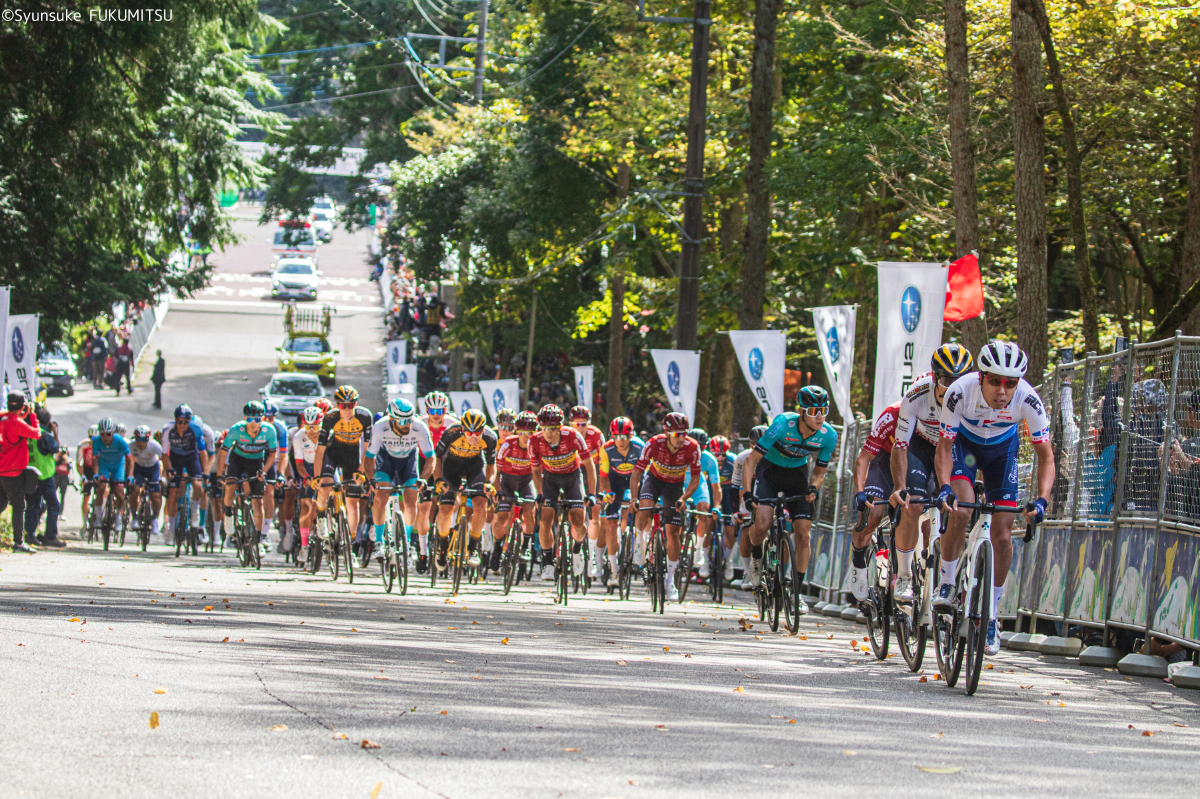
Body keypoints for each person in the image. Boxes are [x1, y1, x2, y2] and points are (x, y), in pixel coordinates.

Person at [934, 340, 1056, 656]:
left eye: (1010, 383)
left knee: (1003, 534)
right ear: (981, 377)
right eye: (995, 381)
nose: (1002, 391)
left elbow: (1047, 457)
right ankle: (947, 582)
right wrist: (945, 485)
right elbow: (944, 448)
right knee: (961, 507)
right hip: (965, 449)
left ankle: (991, 614)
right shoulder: (959, 392)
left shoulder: (1029, 398)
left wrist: (1042, 500)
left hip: (1002, 453)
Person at [882, 343, 975, 603]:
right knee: (912, 504)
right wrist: (899, 486)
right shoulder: (917, 394)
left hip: (954, 447)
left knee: (959, 507)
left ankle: (948, 579)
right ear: (935, 378)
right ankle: (903, 575)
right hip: (921, 447)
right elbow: (900, 447)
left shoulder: (974, 397)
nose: (954, 385)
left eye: (961, 379)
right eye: (947, 379)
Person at [740, 387, 839, 615]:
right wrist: (747, 493)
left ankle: (797, 591)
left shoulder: (829, 435)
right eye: (814, 411)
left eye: (823, 411)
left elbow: (819, 472)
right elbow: (751, 461)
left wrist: (814, 487)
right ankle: (756, 556)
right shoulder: (783, 424)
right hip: (769, 472)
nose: (819, 416)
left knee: (804, 534)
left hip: (797, 476)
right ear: (801, 411)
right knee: (762, 523)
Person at [627, 412, 702, 602]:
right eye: (677, 434)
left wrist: (684, 498)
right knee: (644, 508)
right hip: (654, 481)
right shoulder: (653, 443)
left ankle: (670, 581)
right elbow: (636, 474)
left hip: (675, 486)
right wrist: (634, 499)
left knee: (673, 532)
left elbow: (695, 479)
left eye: (684, 433)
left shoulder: (693, 447)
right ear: (667, 433)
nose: (682, 438)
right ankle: (640, 543)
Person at [363, 398, 434, 564]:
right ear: (392, 420)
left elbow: (431, 457)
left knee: (411, 500)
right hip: (386, 461)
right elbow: (369, 457)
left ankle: (407, 543)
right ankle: (379, 542)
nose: (407, 425)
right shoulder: (380, 426)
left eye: (409, 420)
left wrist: (423, 478)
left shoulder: (419, 427)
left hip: (408, 462)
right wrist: (370, 479)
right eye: (403, 421)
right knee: (381, 494)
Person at [529, 404, 595, 581]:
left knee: (578, 520)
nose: (548, 432)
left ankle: (576, 551)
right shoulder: (534, 440)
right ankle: (548, 563)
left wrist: (592, 494)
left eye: (552, 428)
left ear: (560, 427)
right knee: (545, 519)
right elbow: (535, 471)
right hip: (549, 478)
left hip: (572, 476)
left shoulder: (573, 435)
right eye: (544, 428)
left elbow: (589, 464)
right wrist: (540, 492)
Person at [432, 408, 497, 571]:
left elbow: (491, 464)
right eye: (469, 434)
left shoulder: (490, 437)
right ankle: (443, 546)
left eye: (477, 433)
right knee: (446, 509)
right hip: (451, 468)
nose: (474, 437)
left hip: (474, 468)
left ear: (483, 429)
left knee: (481, 504)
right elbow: (437, 458)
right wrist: (438, 481)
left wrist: (489, 482)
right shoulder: (451, 432)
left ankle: (473, 548)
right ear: (462, 430)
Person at [312, 386, 373, 551]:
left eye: (350, 405)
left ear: (356, 404)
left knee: (353, 504)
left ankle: (351, 545)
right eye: (342, 405)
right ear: (336, 405)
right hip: (333, 454)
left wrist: (361, 470)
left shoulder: (365, 416)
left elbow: (368, 449)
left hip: (353, 457)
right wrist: (316, 476)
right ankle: (321, 517)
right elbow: (320, 449)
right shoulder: (330, 417)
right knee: (326, 485)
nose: (346, 410)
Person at [219, 401, 279, 545]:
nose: (253, 423)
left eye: (257, 419)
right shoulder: (236, 429)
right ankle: (228, 513)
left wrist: (263, 472)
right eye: (249, 419)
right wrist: (220, 473)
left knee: (257, 501)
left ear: (262, 419)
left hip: (256, 461)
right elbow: (223, 452)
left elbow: (272, 455)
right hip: (238, 459)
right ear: (244, 418)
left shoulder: (270, 431)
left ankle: (258, 539)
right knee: (230, 486)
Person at [598, 416, 644, 587]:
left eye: (624, 437)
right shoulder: (606, 449)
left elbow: (642, 475)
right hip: (615, 480)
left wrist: (635, 498)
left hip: (635, 479)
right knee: (610, 524)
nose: (621, 441)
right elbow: (603, 478)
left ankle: (640, 545)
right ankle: (614, 570)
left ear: (631, 436)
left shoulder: (640, 447)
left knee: (638, 508)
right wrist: (608, 493)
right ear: (612, 436)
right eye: (616, 436)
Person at [492, 411, 538, 572]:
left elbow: (541, 472)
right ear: (516, 431)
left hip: (527, 481)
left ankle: (525, 546)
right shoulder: (507, 444)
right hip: (507, 481)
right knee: (503, 518)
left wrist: (541, 493)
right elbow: (496, 472)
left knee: (530, 512)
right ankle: (497, 549)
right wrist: (498, 490)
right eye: (522, 432)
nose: (526, 437)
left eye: (530, 433)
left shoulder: (537, 445)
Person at [568, 405, 607, 580]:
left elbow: (604, 460)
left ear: (589, 424)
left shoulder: (597, 435)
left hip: (593, 471)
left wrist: (602, 488)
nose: (581, 428)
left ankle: (591, 554)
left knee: (594, 514)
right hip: (573, 472)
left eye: (584, 424)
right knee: (572, 511)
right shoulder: (568, 435)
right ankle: (570, 542)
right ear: (571, 424)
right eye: (577, 424)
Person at [0, 394, 42, 551]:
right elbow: (36, 434)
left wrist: (21, 415)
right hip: (13, 471)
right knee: (19, 506)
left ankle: (18, 541)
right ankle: (18, 543)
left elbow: (10, 420)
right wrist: (32, 416)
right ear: (22, 405)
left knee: (2, 502)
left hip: (1, 469)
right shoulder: (16, 423)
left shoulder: (3, 417)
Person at [683, 428, 722, 580]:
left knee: (704, 510)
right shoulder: (680, 455)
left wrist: (716, 507)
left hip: (698, 486)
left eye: (702, 448)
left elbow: (716, 487)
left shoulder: (709, 459)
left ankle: (698, 547)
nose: (698, 452)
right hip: (681, 484)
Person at [733, 425, 768, 589]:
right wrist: (736, 511)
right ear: (751, 445)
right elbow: (736, 486)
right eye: (756, 445)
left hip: (768, 488)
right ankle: (747, 572)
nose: (761, 449)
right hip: (749, 489)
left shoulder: (776, 456)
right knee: (746, 530)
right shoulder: (742, 458)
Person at [89, 416, 132, 542]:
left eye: (108, 434)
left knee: (119, 493)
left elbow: (130, 459)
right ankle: (97, 516)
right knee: (101, 487)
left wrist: (129, 476)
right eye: (102, 434)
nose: (105, 438)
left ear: (113, 433)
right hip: (104, 465)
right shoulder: (96, 441)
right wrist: (96, 474)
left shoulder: (120, 441)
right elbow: (95, 460)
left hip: (118, 465)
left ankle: (118, 516)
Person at [25, 406, 62, 547]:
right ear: (48, 422)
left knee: (33, 505)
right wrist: (55, 433)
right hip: (45, 476)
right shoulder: (45, 435)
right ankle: (50, 536)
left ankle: (30, 534)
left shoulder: (29, 433)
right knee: (53, 505)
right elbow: (55, 448)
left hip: (31, 474)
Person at [290, 408, 321, 564]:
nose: (311, 430)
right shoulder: (298, 437)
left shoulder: (327, 435)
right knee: (306, 505)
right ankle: (304, 545)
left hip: (324, 466)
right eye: (307, 426)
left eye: (315, 426)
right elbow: (299, 464)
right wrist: (307, 478)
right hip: (308, 467)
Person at [127, 425, 164, 540]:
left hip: (153, 469)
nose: (141, 443)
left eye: (144, 440)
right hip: (139, 468)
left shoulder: (154, 446)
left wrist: (163, 477)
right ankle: (134, 516)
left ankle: (154, 518)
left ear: (148, 439)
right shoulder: (131, 445)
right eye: (139, 440)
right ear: (135, 438)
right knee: (135, 490)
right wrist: (128, 476)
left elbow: (165, 460)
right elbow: (126, 461)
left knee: (155, 495)